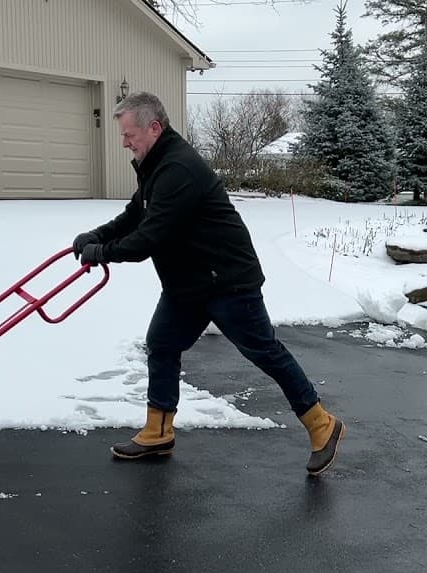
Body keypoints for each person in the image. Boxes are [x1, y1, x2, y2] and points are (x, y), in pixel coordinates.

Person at [71, 91, 345, 477]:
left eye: (129, 133)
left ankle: (322, 424)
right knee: (162, 344)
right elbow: (137, 213)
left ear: (154, 127)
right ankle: (158, 430)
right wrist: (94, 235)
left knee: (264, 350)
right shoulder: (154, 163)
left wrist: (102, 252)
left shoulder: (178, 169)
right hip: (189, 283)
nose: (124, 142)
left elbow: (149, 238)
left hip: (227, 279)